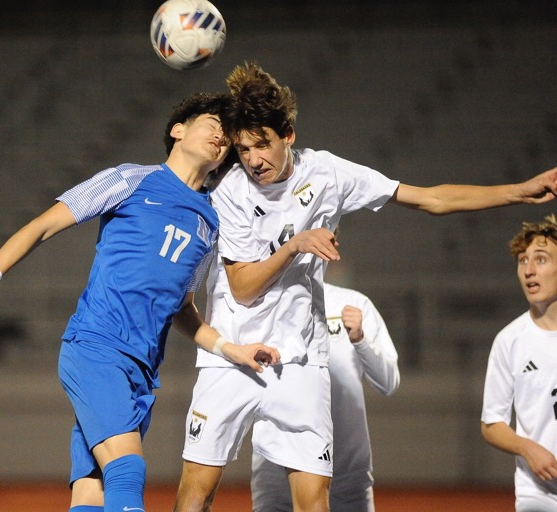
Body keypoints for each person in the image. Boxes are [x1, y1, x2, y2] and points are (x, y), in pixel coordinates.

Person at [172, 62, 557, 512]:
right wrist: (295, 245)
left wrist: (517, 190)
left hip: (300, 360)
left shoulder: (328, 174)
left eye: (262, 144)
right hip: (232, 358)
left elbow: (429, 198)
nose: (253, 159)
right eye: (243, 148)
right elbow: (241, 287)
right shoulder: (232, 192)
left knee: (315, 500)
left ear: (288, 135)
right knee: (196, 491)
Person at [0, 92, 280, 512]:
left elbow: (182, 309)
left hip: (140, 372)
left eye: (227, 134)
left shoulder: (211, 222)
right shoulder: (129, 179)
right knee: (126, 471)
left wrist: (233, 349)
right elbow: (42, 227)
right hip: (96, 348)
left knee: (92, 489)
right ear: (178, 130)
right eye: (212, 122)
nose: (220, 134)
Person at [251, 281, 399, 512]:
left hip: (347, 472)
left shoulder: (354, 303)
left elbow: (389, 383)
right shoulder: (261, 303)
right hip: (276, 468)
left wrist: (360, 340)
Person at [481, 214, 557, 512]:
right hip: (537, 494)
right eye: (522, 260)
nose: (528, 270)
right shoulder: (509, 340)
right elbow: (491, 424)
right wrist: (529, 449)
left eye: (540, 259)